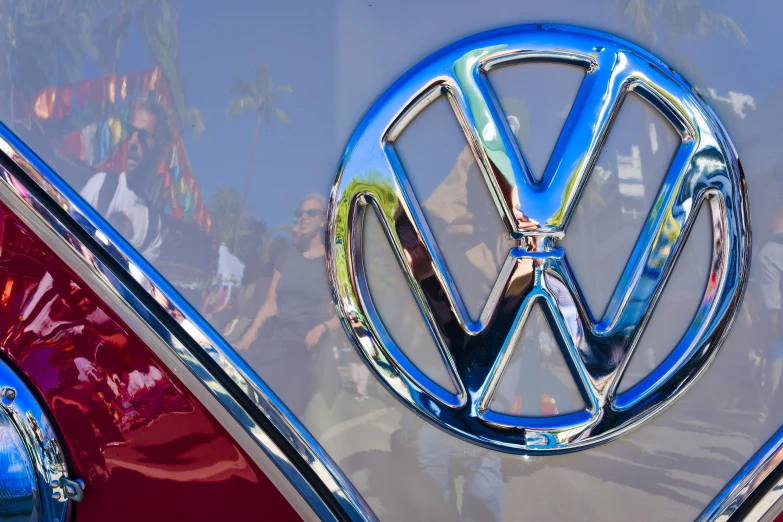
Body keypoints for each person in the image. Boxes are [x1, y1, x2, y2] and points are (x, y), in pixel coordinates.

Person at [235, 194, 342, 417]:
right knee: (253, 403)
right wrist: (248, 337)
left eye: (310, 212)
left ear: (324, 219)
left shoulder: (334, 264)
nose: (303, 217)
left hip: (306, 352)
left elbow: (344, 316)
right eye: (299, 213)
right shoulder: (287, 256)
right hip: (276, 343)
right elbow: (271, 303)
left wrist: (322, 328)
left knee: (288, 415)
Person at [80, 96, 170, 261]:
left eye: (142, 136)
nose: (133, 142)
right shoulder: (100, 185)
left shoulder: (153, 227)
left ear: (158, 150)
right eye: (131, 131)